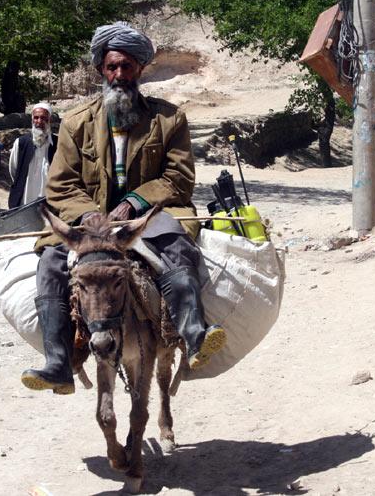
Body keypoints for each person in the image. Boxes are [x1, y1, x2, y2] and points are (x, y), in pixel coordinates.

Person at [20, 21, 226, 395]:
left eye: (126, 67)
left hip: (149, 217)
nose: (119, 75)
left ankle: (194, 334)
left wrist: (134, 202)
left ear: (140, 69)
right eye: (112, 67)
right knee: (51, 263)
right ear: (101, 68)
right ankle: (58, 362)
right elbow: (60, 184)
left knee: (178, 251)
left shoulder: (168, 119)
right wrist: (87, 213)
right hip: (89, 227)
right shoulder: (75, 123)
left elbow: (178, 177)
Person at [8, 103, 58, 209]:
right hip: (23, 202)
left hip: (49, 204)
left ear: (50, 120)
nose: (39, 122)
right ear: (32, 120)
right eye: (36, 118)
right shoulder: (21, 143)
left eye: (44, 118)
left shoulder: (58, 145)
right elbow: (14, 171)